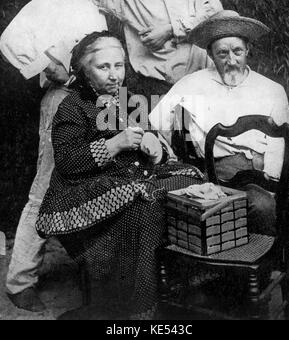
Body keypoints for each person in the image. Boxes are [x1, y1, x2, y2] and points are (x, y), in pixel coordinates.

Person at [35, 31, 203, 320]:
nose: (114, 75)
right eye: (104, 67)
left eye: (119, 65)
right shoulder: (73, 106)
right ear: (84, 71)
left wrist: (155, 149)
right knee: (145, 205)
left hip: (131, 178)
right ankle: (139, 307)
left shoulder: (125, 99)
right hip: (83, 190)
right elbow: (67, 162)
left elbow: (149, 140)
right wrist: (116, 143)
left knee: (190, 179)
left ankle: (176, 283)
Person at [149, 10, 289, 314]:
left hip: (276, 163)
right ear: (210, 55)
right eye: (222, 53)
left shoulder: (271, 88)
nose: (231, 60)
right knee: (262, 206)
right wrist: (178, 150)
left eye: (237, 51)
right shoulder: (193, 84)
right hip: (225, 169)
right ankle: (250, 283)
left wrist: (272, 172)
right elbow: (157, 120)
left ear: (249, 51)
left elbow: (287, 141)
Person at [0, 0, 108, 312]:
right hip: (63, 100)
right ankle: (19, 282)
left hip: (95, 101)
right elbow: (10, 38)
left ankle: (94, 275)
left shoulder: (88, 1)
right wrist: (49, 66)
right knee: (45, 187)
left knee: (95, 178)